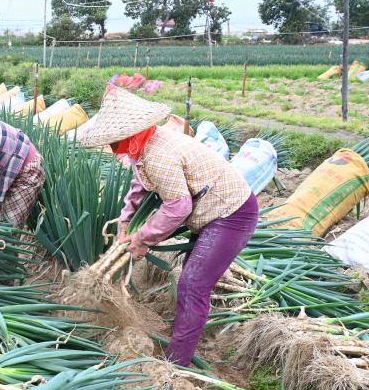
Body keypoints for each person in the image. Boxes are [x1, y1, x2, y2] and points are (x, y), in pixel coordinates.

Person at [80, 87, 257, 367]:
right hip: (210, 211)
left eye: (115, 141)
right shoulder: (144, 146)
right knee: (191, 282)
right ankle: (181, 341)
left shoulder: (160, 154)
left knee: (193, 285)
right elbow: (140, 184)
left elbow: (178, 207)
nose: (113, 148)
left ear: (130, 133)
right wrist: (126, 219)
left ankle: (176, 364)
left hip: (231, 215)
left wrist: (143, 238)